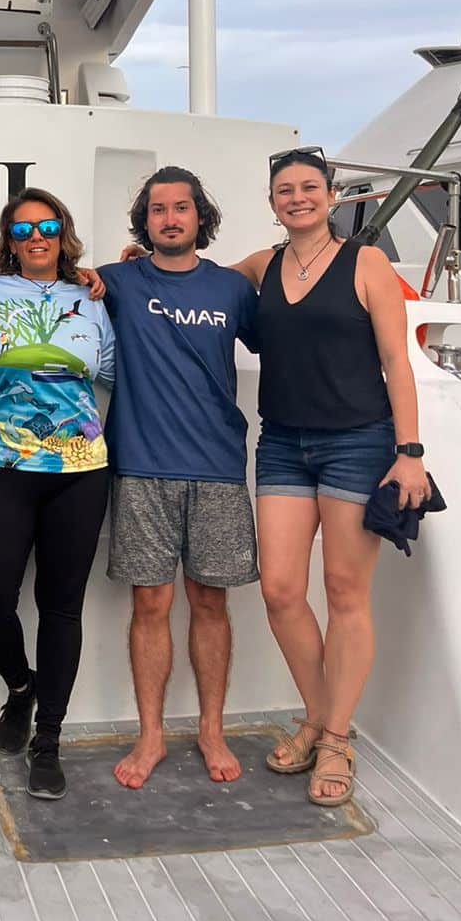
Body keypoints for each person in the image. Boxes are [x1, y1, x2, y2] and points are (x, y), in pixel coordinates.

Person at [238, 147, 430, 806]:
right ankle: (321, 719)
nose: (297, 198)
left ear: (332, 196)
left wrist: (410, 451)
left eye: (308, 187)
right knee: (281, 591)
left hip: (358, 442)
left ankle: (336, 738)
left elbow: (396, 363)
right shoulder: (261, 266)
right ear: (271, 203)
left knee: (346, 591)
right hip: (283, 445)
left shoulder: (366, 264)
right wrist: (124, 264)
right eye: (284, 189)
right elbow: (192, 281)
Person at [98, 167, 260, 790]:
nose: (170, 218)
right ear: (146, 221)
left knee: (211, 603)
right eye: (159, 209)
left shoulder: (232, 290)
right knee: (150, 603)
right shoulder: (117, 281)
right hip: (140, 466)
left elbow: (287, 340)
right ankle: (151, 735)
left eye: (182, 208)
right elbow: (53, 279)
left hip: (218, 469)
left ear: (200, 218)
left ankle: (211, 729)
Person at [0, 190, 115, 799]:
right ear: (9, 240)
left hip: (80, 465)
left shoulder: (91, 300)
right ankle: (21, 686)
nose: (36, 237)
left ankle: (49, 741)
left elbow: (117, 371)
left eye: (47, 226)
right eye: (22, 231)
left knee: (60, 605)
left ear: (63, 231)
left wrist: (110, 281)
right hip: (0, 457)